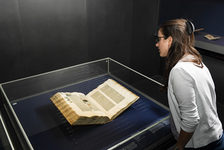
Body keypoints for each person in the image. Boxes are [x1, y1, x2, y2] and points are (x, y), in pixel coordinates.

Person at [155, 18, 224, 150]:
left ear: (170, 40)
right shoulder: (196, 60)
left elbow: (191, 120)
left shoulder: (180, 71)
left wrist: (180, 146)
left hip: (203, 144)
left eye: (159, 39)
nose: (157, 44)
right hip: (214, 136)